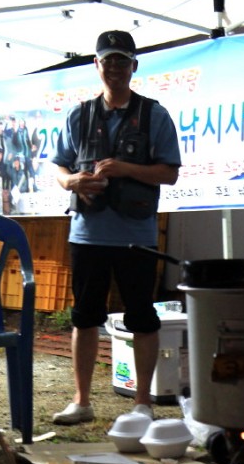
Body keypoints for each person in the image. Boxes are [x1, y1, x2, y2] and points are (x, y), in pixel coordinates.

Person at [50, 30, 182, 424]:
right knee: (84, 317)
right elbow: (59, 166)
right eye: (107, 60)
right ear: (97, 65)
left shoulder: (154, 115)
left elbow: (169, 173)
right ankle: (81, 402)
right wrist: (72, 181)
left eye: (122, 61)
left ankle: (142, 403)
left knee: (142, 317)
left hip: (136, 236)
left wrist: (125, 168)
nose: (114, 67)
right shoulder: (79, 115)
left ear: (134, 66)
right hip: (86, 234)